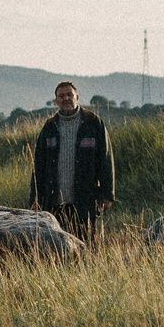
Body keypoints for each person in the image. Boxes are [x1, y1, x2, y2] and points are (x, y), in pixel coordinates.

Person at [29, 81, 114, 236]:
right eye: (61, 96)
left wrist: (107, 194)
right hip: (54, 204)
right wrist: (35, 198)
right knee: (56, 246)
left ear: (77, 97)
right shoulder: (49, 127)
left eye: (70, 94)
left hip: (85, 201)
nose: (66, 98)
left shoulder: (93, 123)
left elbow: (105, 161)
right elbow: (38, 166)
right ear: (56, 101)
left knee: (86, 244)